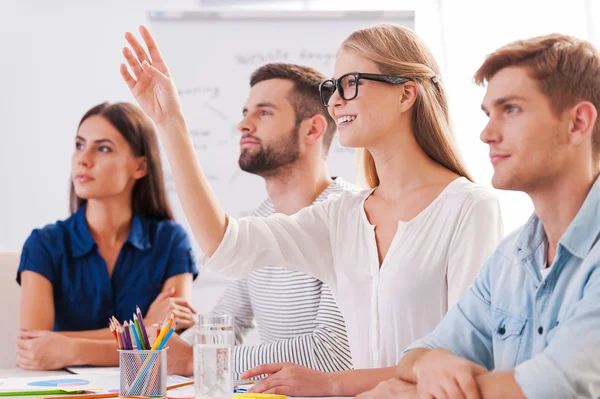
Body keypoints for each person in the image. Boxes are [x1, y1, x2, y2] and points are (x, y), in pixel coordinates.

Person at [119, 23, 503, 396]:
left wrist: (335, 383)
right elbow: (226, 246)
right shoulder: (343, 216)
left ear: (406, 95)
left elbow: (464, 361)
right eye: (333, 87)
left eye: (351, 83)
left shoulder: (469, 208)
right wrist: (170, 123)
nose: (335, 100)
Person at [360, 33, 600, 399]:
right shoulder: (511, 260)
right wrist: (429, 366)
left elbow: (561, 383)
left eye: (511, 109)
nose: (487, 134)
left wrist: (419, 394)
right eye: (489, 113)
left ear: (578, 122)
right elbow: (418, 353)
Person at [167, 63, 355, 378]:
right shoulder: (262, 219)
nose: (243, 124)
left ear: (312, 129)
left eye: (264, 113)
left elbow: (333, 352)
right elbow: (228, 322)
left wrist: (197, 361)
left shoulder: (352, 216)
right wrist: (168, 347)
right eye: (245, 112)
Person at [17, 102, 198, 370]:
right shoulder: (44, 244)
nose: (83, 159)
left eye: (102, 148)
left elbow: (169, 347)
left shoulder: (170, 240)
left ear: (140, 166)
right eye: (79, 145)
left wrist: (69, 348)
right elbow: (33, 349)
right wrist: (144, 330)